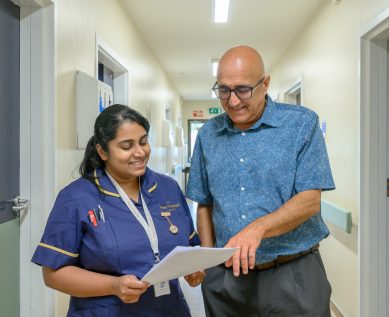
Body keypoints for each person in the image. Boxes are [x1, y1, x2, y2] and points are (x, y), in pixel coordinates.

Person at [186, 45, 335, 317]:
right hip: (227, 280)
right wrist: (208, 262)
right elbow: (204, 203)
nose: (232, 101)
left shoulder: (302, 124)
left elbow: (310, 201)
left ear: (265, 83)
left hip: (293, 274)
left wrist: (258, 229)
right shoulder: (208, 135)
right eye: (223, 90)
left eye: (243, 89)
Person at [32, 104, 204, 317]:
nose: (140, 152)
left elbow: (188, 247)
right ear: (102, 151)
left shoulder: (167, 188)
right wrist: (113, 285)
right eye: (126, 146)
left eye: (143, 141)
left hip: (169, 308)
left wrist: (192, 269)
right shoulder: (76, 198)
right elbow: (53, 274)